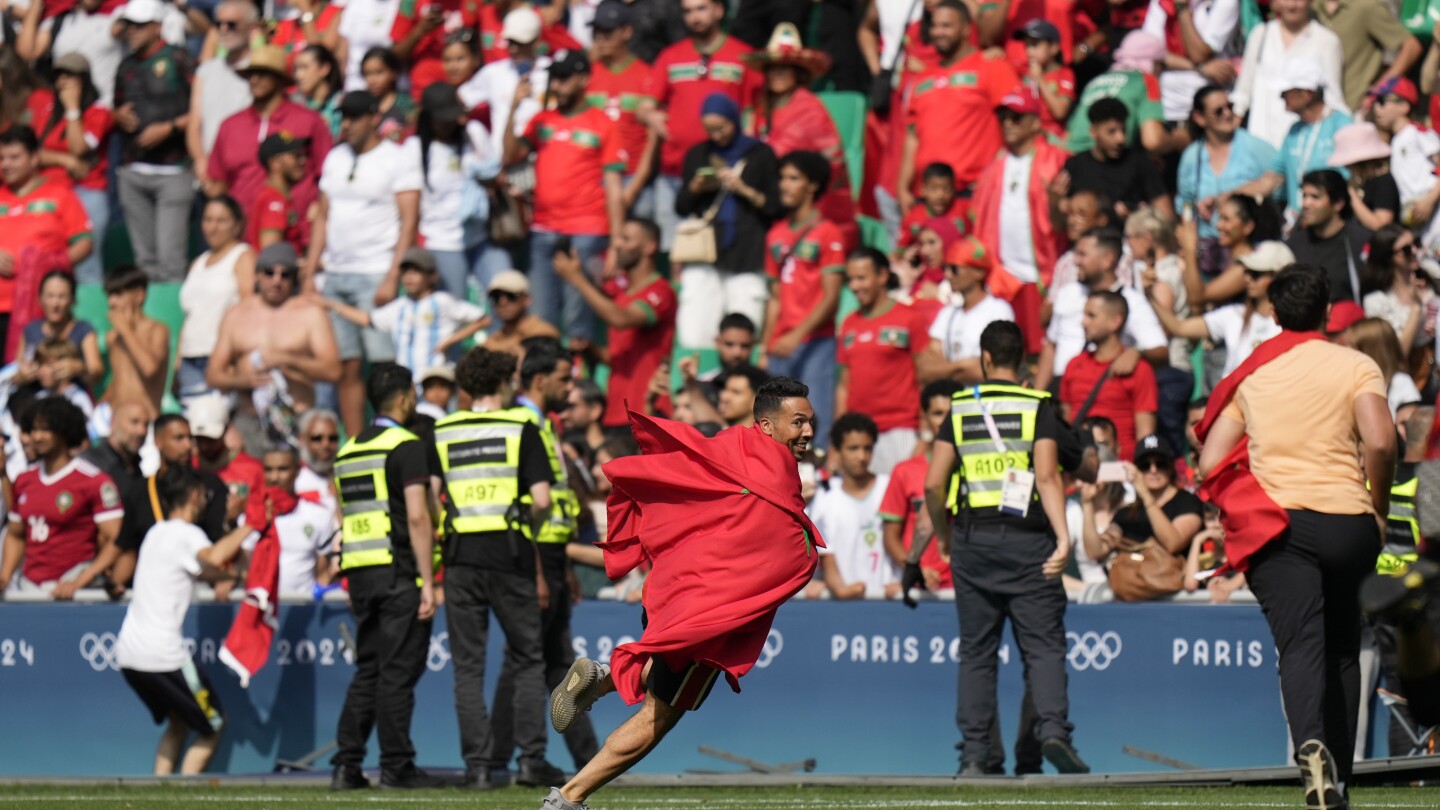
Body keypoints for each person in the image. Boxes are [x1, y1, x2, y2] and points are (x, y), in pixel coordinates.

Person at [541, 377, 823, 810]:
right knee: (662, 713)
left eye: (810, 422)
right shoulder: (780, 468)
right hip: (708, 607)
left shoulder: (731, 444)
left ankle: (601, 679)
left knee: (662, 661)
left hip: (668, 590)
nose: (807, 431)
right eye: (798, 422)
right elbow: (784, 540)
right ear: (766, 426)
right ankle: (569, 797)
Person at [1196, 264, 1395, 809]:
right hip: (1349, 522)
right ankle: (1342, 777)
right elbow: (1380, 441)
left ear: (1273, 312)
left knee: (1300, 647)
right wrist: (1378, 508)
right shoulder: (1357, 363)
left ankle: (1310, 748)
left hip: (1280, 526)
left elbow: (1210, 461)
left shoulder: (1254, 375)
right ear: (1327, 311)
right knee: (1343, 650)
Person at [909, 319, 1087, 776]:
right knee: (1043, 649)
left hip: (972, 539)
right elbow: (1048, 475)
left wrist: (945, 539)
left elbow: (934, 484)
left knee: (977, 652)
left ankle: (973, 754)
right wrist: (1064, 537)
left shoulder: (961, 407)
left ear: (985, 359)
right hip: (1030, 540)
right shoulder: (1037, 406)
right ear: (1023, 359)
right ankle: (1052, 732)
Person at [433, 348, 561, 789]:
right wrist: (526, 524)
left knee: (467, 666)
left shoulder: (443, 429)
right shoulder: (520, 427)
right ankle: (530, 760)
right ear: (505, 382)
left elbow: (432, 497)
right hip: (510, 554)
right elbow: (543, 499)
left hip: (460, 555)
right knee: (528, 659)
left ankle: (478, 767)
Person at [488, 338, 598, 775]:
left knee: (550, 660)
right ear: (538, 379)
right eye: (563, 379)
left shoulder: (539, 423)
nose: (570, 389)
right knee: (530, 659)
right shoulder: (520, 424)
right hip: (531, 556)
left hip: (550, 556)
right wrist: (536, 566)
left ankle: (585, 758)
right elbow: (523, 503)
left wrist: (562, 563)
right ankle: (516, 758)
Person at [330, 364, 440, 791]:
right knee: (397, 671)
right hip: (398, 571)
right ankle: (397, 765)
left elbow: (344, 514)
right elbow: (417, 515)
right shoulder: (407, 445)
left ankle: (346, 764)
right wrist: (428, 581)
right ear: (406, 397)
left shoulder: (348, 449)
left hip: (361, 570)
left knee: (370, 669)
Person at [115, 465, 249, 775]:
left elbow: (204, 569)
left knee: (180, 721)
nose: (206, 502)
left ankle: (159, 793)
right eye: (205, 495)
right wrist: (249, 524)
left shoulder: (156, 533)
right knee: (214, 724)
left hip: (129, 655)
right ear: (193, 495)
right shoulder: (188, 534)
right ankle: (186, 798)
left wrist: (233, 575)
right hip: (163, 657)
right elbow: (213, 558)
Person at [306, 90, 422, 437]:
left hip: (376, 271)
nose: (348, 124)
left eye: (356, 116)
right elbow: (323, 217)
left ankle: (395, 436)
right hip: (336, 273)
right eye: (344, 117)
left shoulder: (397, 158)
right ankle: (359, 445)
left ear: (374, 117)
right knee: (347, 366)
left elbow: (409, 220)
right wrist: (310, 272)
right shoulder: (336, 157)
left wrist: (392, 275)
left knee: (385, 365)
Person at [505, 49, 626, 344]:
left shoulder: (603, 123)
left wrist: (617, 242)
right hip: (543, 230)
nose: (556, 86)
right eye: (553, 79)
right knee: (541, 321)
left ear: (584, 79)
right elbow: (510, 156)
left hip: (587, 232)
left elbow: (614, 186)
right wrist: (512, 109)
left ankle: (578, 384)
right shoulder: (541, 120)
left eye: (564, 78)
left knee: (578, 321)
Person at [642, 0, 759, 248]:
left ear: (719, 10)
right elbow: (645, 105)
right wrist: (651, 116)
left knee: (718, 246)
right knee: (675, 248)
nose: (695, 17)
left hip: (722, 172)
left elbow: (752, 112)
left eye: (701, 8)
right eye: (688, 11)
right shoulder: (670, 56)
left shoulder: (742, 56)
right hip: (674, 171)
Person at [672, 92, 781, 353]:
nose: (717, 135)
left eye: (722, 128)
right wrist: (696, 188)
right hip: (705, 252)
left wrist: (743, 189)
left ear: (735, 120)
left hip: (746, 251)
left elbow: (775, 207)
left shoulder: (760, 154)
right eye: (710, 130)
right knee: (696, 328)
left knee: (744, 328)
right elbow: (681, 207)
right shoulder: (699, 154)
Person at [209, 243, 341, 455]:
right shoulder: (236, 315)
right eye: (269, 272)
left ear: (294, 279)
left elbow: (333, 370)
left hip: (297, 419)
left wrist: (288, 359)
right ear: (257, 276)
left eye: (285, 274)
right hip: (249, 420)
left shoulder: (311, 314)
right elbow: (213, 374)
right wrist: (242, 382)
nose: (276, 280)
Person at [898, 0, 1021, 213]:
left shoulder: (991, 66)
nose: (938, 32)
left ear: (966, 29)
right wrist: (902, 187)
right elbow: (912, 136)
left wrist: (1001, 175)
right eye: (935, 26)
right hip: (927, 198)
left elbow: (1019, 121)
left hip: (974, 193)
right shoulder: (922, 79)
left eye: (947, 26)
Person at [554, 219, 677, 433]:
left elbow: (621, 319)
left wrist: (577, 278)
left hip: (649, 412)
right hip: (615, 414)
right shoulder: (620, 296)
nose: (617, 245)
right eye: (618, 238)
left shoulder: (661, 291)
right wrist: (591, 349)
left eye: (626, 239)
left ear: (650, 247)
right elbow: (617, 357)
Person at [744, 23, 857, 249]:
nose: (777, 74)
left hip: (809, 209)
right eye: (772, 68)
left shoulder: (810, 108)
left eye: (785, 68)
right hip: (764, 199)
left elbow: (832, 165)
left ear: (798, 72)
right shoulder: (758, 108)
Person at [972, 89, 1067, 353]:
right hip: (1003, 277)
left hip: (1042, 275)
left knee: (1042, 351)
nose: (1007, 124)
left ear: (1035, 122)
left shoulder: (1056, 158)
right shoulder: (996, 163)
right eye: (1003, 117)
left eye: (1015, 118)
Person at [0, 397, 123, 598]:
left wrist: (80, 581)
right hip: (29, 589)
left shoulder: (93, 480)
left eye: (45, 430)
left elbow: (116, 538)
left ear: (64, 431)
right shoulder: (24, 480)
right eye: (34, 430)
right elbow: (16, 534)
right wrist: (4, 576)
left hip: (73, 590)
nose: (37, 437)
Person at [763, 151, 846, 442]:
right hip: (780, 345)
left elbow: (832, 296)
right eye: (782, 178)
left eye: (793, 178)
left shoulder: (828, 232)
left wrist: (797, 334)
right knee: (777, 429)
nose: (784, 185)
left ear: (812, 185)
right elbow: (774, 297)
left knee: (813, 422)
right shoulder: (775, 234)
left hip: (816, 343)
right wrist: (766, 344)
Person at [407, 82, 507, 300]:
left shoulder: (474, 133)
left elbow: (497, 175)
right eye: (443, 118)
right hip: (443, 241)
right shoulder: (413, 149)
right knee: (453, 308)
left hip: (482, 236)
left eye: (454, 116)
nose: (451, 123)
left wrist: (485, 177)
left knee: (505, 290)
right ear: (428, 118)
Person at [0, 126, 93, 361]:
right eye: (2, 158)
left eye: (14, 157)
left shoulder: (60, 194)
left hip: (40, 312)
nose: (6, 164)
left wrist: (48, 265)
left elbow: (84, 243)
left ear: (35, 158)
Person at [1037, 228, 1168, 394]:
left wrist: (1137, 353)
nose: (1076, 261)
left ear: (1107, 260)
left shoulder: (1132, 302)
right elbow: (1051, 346)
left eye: (1083, 255)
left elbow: (1160, 351)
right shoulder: (1067, 293)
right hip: (1059, 388)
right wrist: (1037, 396)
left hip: (1099, 390)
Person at [206, 44, 332, 216]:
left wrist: (319, 208)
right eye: (251, 74)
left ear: (279, 79)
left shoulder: (309, 121)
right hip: (243, 231)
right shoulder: (230, 125)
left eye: (263, 74)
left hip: (295, 229)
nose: (255, 80)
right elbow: (218, 182)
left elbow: (328, 174)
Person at [317, 247, 489, 372]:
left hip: (435, 378)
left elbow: (483, 319)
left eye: (416, 271)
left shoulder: (442, 301)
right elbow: (368, 319)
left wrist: (450, 341)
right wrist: (333, 305)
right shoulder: (399, 306)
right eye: (405, 272)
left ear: (432, 276)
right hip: (406, 381)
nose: (409, 277)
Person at [111, 415, 232, 588]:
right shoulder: (139, 490)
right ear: (158, 442)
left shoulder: (210, 485)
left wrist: (227, 578)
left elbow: (219, 542)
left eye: (190, 438)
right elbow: (129, 548)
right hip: (154, 589)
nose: (188, 446)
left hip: (199, 587)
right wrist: (116, 583)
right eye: (179, 438)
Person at [837, 249, 927, 474]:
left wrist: (926, 435)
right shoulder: (849, 324)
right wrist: (836, 439)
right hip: (860, 436)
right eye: (851, 280)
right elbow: (843, 385)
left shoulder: (910, 318)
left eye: (861, 278)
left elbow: (925, 377)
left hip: (902, 430)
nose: (855, 286)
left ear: (883, 276)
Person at [1148, 241, 1290, 379]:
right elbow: (1179, 327)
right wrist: (1149, 293)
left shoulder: (1291, 323)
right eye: (1246, 272)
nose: (1247, 278)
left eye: (1255, 274)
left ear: (1279, 278)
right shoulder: (1235, 314)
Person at [1176, 85, 1279, 274]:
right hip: (1208, 251)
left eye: (1229, 107)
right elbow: (1185, 204)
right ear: (1199, 118)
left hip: (1249, 250)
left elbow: (1279, 185)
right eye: (1218, 111)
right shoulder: (1191, 157)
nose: (1227, 114)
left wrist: (1234, 195)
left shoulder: (1257, 148)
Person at [36, 53, 113, 287]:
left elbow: (78, 147)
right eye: (59, 76)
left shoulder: (99, 113)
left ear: (84, 80)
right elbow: (32, 154)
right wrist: (65, 161)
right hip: (53, 195)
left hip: (87, 194)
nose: (63, 82)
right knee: (52, 265)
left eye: (70, 76)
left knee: (85, 266)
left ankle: (89, 321)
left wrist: (72, 108)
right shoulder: (47, 111)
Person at [1082, 435, 1203, 583]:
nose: (1153, 470)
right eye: (1145, 465)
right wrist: (1088, 503)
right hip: (1135, 596)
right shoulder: (1127, 512)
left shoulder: (1187, 502)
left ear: (1171, 467)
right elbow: (1096, 551)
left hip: (1178, 596)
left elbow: (1173, 544)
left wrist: (1145, 495)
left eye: (1160, 463)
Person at [880, 381, 962, 596]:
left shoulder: (975, 468)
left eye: (952, 412)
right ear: (924, 418)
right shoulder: (904, 471)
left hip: (967, 587)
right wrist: (915, 568)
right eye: (937, 413)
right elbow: (890, 537)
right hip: (921, 588)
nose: (945, 421)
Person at [1232, 0, 1347, 150]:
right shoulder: (1260, 34)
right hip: (1260, 139)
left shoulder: (1327, 40)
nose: (1292, 5)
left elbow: (1333, 97)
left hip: (1302, 145)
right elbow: (1243, 92)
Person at [1060, 292, 1159, 460]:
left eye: (1091, 316)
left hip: (1120, 469)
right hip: (1079, 467)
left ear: (1115, 321)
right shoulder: (1074, 365)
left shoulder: (1139, 369)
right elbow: (1064, 423)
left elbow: (1145, 433)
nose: (1083, 322)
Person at [811, 413, 897, 600]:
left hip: (890, 599)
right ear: (837, 450)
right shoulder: (825, 496)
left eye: (867, 448)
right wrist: (841, 589)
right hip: (845, 603)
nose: (862, 456)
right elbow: (827, 554)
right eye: (853, 448)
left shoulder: (889, 486)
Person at [178, 197, 255, 403]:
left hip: (220, 358)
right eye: (208, 220)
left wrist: (235, 357)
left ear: (237, 225)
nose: (213, 227)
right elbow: (189, 316)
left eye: (221, 221)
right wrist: (178, 360)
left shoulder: (242, 256)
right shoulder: (198, 263)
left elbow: (249, 310)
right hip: (189, 358)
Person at [587, 1, 658, 220]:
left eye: (607, 32)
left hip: (633, 176)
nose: (600, 37)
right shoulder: (586, 76)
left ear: (627, 32)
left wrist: (633, 188)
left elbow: (653, 140)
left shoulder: (647, 76)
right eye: (596, 31)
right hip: (592, 178)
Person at [457, 7, 554, 160]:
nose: (514, 49)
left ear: (536, 41)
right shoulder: (493, 73)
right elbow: (460, 99)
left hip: (541, 157)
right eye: (510, 42)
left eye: (520, 42)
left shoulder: (551, 71)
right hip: (502, 160)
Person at [1267, 59, 1355, 220]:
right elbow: (1273, 177)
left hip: (1333, 223)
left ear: (1307, 94)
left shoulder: (1343, 124)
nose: (1281, 96)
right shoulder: (1294, 130)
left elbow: (1352, 178)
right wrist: (1233, 195)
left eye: (1286, 91)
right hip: (1298, 223)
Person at [1059, 98, 1173, 222]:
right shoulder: (1075, 166)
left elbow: (1166, 216)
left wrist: (1137, 220)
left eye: (1123, 130)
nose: (1120, 138)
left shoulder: (1141, 164)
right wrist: (1055, 200)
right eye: (1111, 131)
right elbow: (1059, 223)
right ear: (1093, 131)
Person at [921, 238, 1016, 385]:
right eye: (945, 268)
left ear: (978, 272)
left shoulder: (998, 310)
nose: (948, 275)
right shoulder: (947, 313)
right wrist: (963, 367)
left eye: (954, 269)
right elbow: (926, 368)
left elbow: (991, 369)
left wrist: (945, 370)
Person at [247, 447, 335, 596]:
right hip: (261, 610)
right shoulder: (248, 518)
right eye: (268, 470)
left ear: (298, 470)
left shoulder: (320, 515)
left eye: (282, 469)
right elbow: (244, 569)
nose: (274, 477)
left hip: (302, 612)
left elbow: (323, 573)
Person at [1312, 0, 1420, 113]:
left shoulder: (1366, 6)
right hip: (1313, 110)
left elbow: (1411, 47)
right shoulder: (1311, 8)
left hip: (1353, 108)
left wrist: (1378, 90)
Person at [188, 0, 256, 172]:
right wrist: (202, 162)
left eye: (231, 24)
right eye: (219, 24)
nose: (224, 30)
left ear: (250, 28)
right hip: (208, 171)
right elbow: (194, 125)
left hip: (245, 173)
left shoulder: (260, 71)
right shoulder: (205, 71)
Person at [16, 0, 124, 106]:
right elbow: (26, 53)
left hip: (100, 111)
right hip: (63, 110)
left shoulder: (118, 16)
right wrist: (36, 4)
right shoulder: (60, 20)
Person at [1285, 170, 1370, 303]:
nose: (1306, 204)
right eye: (1304, 196)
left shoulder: (1359, 242)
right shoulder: (1295, 243)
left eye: (1315, 197)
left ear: (1338, 204)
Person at [14, 271, 103, 391]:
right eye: (50, 296)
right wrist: (24, 374)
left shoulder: (84, 330)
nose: (55, 304)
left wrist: (79, 368)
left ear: (72, 299)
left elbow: (96, 372)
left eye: (62, 297)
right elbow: (16, 371)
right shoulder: (31, 330)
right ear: (40, 299)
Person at [101, 267, 171, 420]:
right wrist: (98, 409)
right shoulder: (112, 336)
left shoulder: (157, 330)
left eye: (118, 295)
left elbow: (150, 369)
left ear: (139, 295)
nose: (111, 302)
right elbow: (121, 378)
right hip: (117, 422)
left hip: (147, 422)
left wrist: (126, 330)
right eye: (109, 295)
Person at [1366, 77, 1439, 216]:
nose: (1376, 108)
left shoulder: (1417, 132)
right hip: (1423, 228)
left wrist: (1430, 200)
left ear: (1404, 106)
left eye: (1382, 101)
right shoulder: (1394, 142)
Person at [1361, 225, 1427, 352]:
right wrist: (1416, 308)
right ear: (1388, 258)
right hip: (1415, 369)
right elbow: (1398, 353)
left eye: (1416, 243)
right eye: (1406, 249)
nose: (1414, 251)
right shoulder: (1376, 301)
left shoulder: (1432, 274)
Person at [1325, 122, 1399, 232]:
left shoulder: (1383, 183)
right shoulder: (1362, 182)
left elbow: (1382, 226)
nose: (1346, 167)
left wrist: (1352, 195)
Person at [1011, 19, 1074, 140]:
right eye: (1027, 46)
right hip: (1026, 134)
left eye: (1034, 45)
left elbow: (1060, 112)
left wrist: (1040, 79)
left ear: (1054, 48)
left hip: (1052, 135)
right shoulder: (1022, 71)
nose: (1029, 52)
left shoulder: (1064, 74)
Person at [248, 134, 310, 254]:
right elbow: (271, 254)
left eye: (303, 155)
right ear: (274, 163)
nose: (303, 161)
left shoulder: (278, 197)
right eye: (296, 156)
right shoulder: (273, 200)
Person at [483, 271, 562, 357]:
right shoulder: (493, 338)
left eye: (511, 295)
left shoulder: (544, 331)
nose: (503, 302)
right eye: (496, 296)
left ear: (527, 299)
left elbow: (542, 339)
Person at [896, 163, 968, 253]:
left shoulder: (965, 209)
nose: (940, 195)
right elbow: (900, 250)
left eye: (946, 188)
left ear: (954, 189)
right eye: (934, 189)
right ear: (923, 190)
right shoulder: (913, 218)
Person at [361, 48, 419, 144]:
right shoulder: (361, 105)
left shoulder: (407, 105)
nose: (372, 80)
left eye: (379, 72)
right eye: (367, 74)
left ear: (393, 73)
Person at [295, 408, 341, 518]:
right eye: (317, 438)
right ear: (302, 439)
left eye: (332, 438)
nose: (326, 445)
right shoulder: (294, 481)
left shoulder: (345, 477)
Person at [293, 45, 344, 139]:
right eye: (296, 69)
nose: (298, 75)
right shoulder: (295, 104)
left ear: (324, 69)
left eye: (304, 67)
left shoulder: (342, 104)